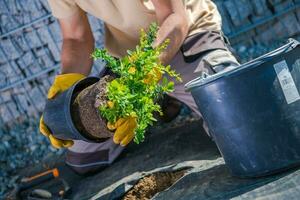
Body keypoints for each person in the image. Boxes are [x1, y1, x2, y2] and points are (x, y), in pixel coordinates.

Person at [40, 0, 239, 174]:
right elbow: (76, 37)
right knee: (84, 158)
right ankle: (159, 102)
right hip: (130, 60)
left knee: (245, 126)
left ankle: (160, 97)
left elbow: (173, 16)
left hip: (186, 39)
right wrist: (66, 87)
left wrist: (142, 77)